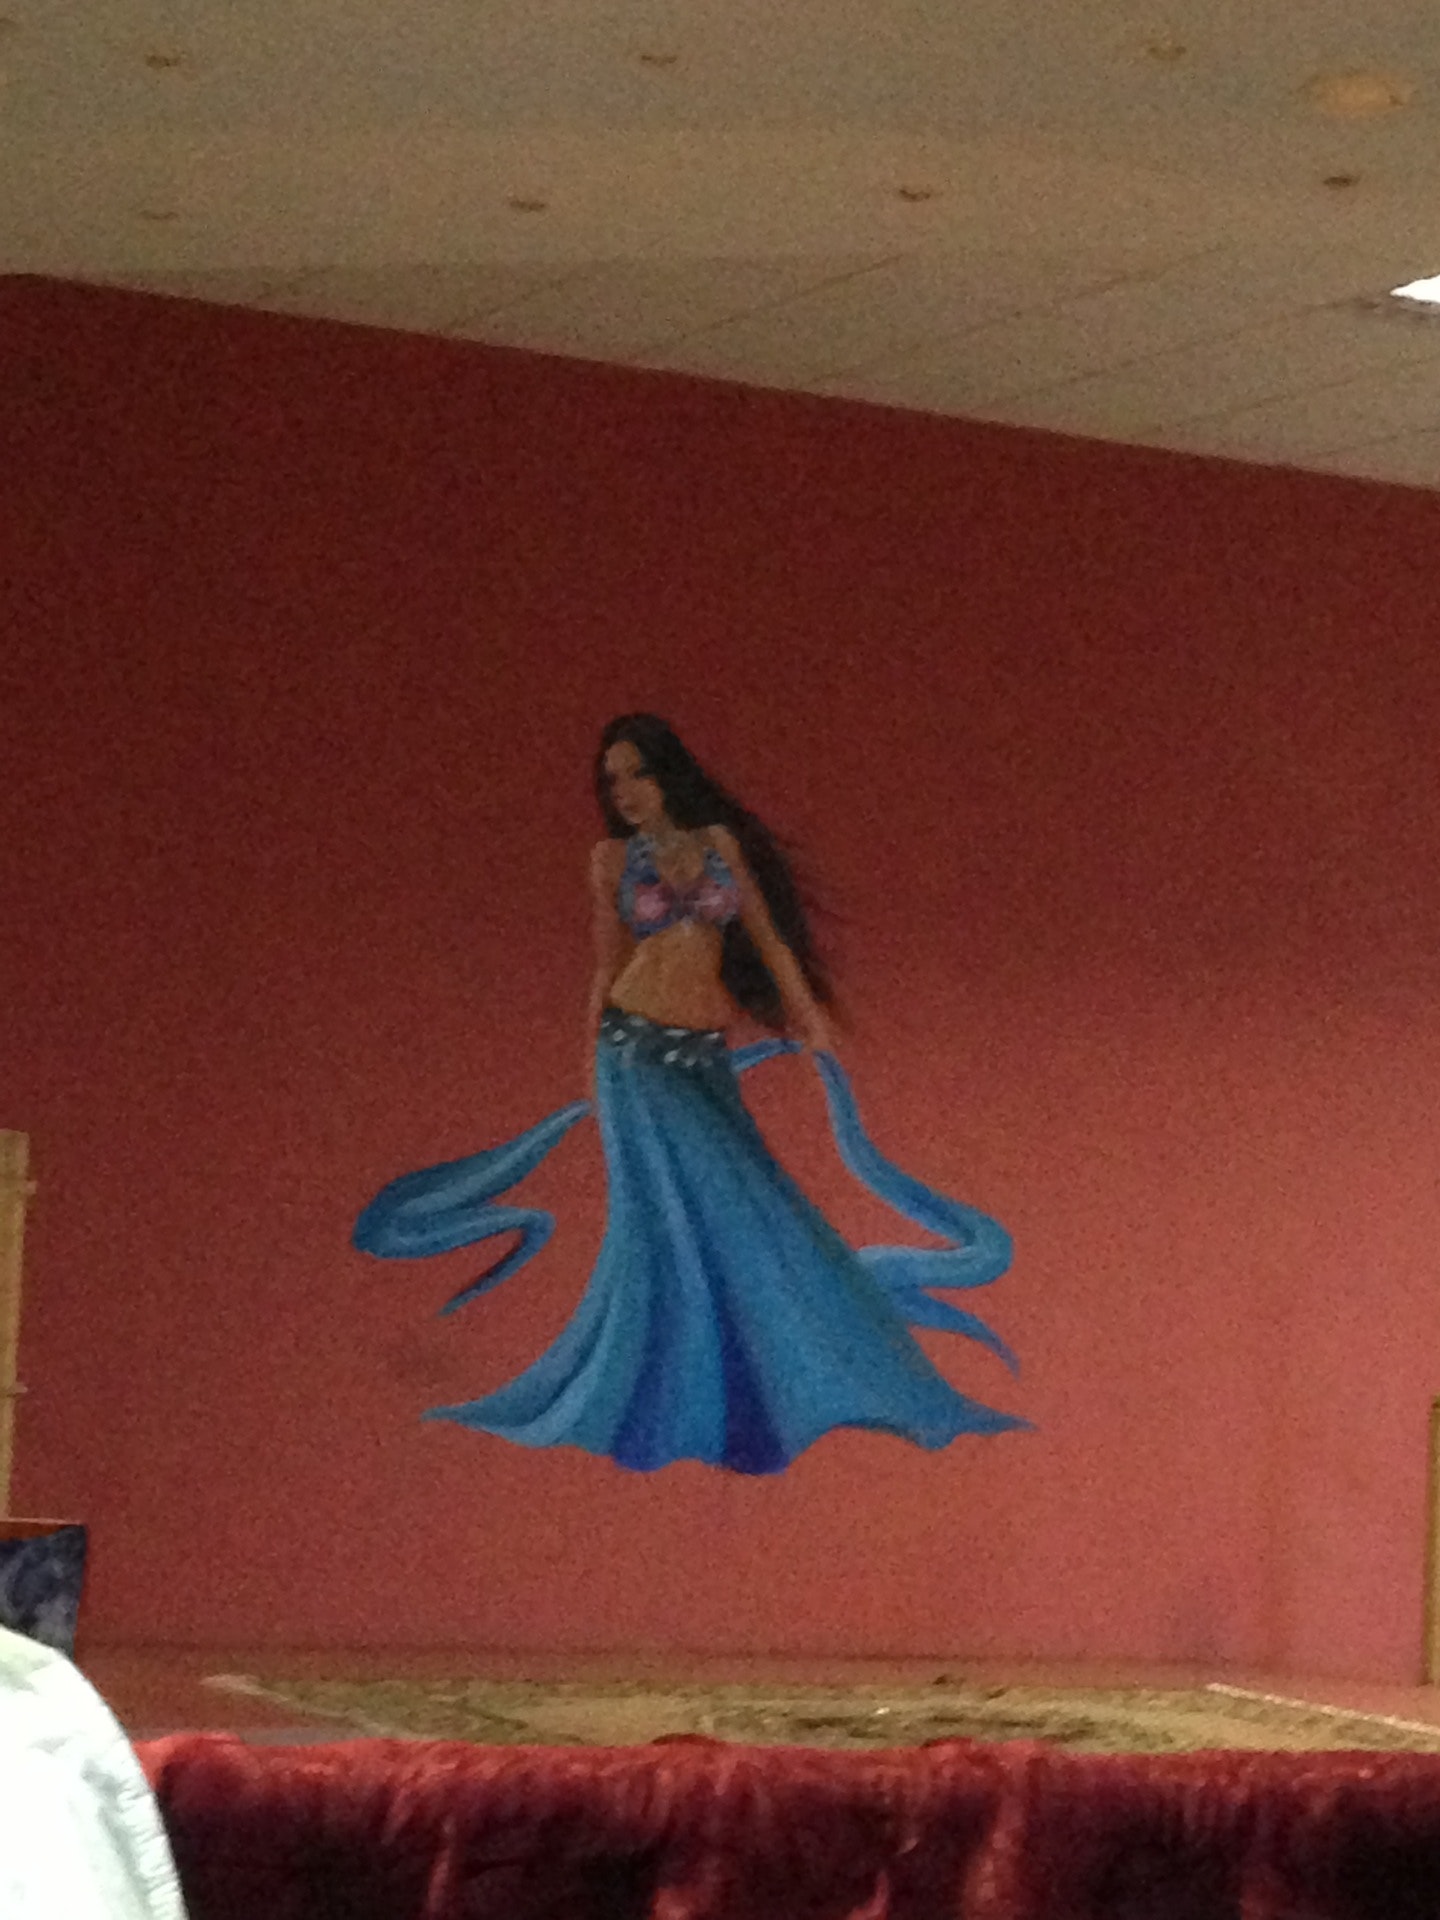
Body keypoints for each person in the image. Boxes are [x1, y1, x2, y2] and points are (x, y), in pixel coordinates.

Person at [355, 715, 1027, 1473]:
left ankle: (790, 1390)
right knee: (677, 1225)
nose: (625, 792)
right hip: (634, 1054)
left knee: (760, 1211)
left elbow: (767, 937)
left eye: (637, 773)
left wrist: (810, 1017)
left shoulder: (717, 844)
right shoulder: (611, 859)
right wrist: (588, 1066)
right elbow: (606, 967)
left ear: (668, 773)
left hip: (705, 1058)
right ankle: (692, 1407)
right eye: (612, 781)